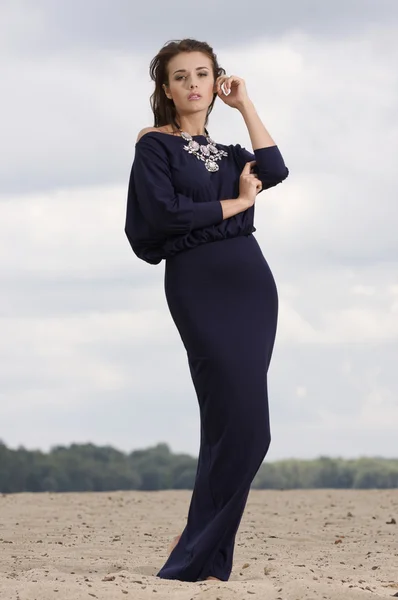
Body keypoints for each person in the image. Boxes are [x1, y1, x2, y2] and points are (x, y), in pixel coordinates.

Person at [125, 38, 289, 583]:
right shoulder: (154, 147)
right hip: (198, 282)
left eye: (203, 74)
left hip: (251, 283)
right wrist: (239, 204)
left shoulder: (228, 154)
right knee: (246, 426)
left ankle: (201, 546)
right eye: (180, 76)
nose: (193, 84)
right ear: (166, 90)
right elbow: (166, 215)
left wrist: (245, 105)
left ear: (215, 82)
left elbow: (276, 168)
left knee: (232, 424)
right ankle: (200, 547)